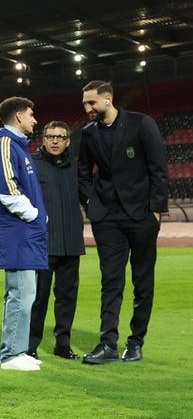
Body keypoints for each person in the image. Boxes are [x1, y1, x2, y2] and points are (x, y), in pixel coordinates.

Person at [78, 81, 169, 364]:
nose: (87, 108)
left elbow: (159, 168)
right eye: (84, 103)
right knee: (111, 281)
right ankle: (108, 344)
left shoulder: (142, 124)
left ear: (108, 98)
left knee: (143, 282)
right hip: (107, 218)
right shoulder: (88, 134)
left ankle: (136, 341)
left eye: (91, 102)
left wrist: (155, 210)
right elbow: (82, 173)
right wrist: (90, 203)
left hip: (141, 215)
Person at [0, 97, 48, 371]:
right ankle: (11, 354)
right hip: (18, 232)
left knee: (26, 294)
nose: (35, 120)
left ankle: (18, 349)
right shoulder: (3, 144)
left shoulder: (19, 147)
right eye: (31, 114)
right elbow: (6, 189)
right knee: (20, 293)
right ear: (19, 117)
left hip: (26, 232)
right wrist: (34, 215)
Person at [28, 121, 84, 360]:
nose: (55, 141)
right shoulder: (32, 164)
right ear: (43, 139)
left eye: (60, 137)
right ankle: (30, 344)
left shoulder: (77, 165)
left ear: (67, 141)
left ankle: (63, 344)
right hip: (43, 243)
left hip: (71, 241)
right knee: (38, 297)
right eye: (50, 136)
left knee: (67, 297)